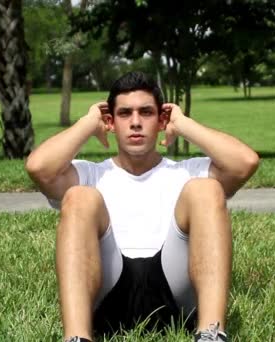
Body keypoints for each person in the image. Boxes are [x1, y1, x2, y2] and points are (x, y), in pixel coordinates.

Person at [25, 71, 259, 342]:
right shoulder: (89, 174)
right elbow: (39, 168)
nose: (135, 122)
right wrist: (88, 122)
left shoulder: (186, 171)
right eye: (125, 114)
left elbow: (245, 163)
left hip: (176, 292)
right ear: (110, 122)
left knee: (206, 189)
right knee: (78, 197)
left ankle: (210, 334)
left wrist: (183, 124)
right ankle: (77, 338)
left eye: (146, 112)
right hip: (107, 293)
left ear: (161, 120)